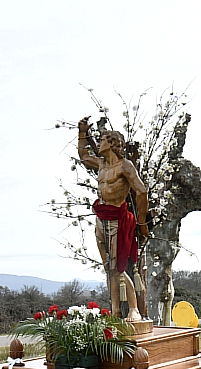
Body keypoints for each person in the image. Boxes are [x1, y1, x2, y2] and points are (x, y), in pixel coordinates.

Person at [78, 117, 148, 320]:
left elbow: (141, 192)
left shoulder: (125, 166)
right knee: (108, 268)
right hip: (101, 218)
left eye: (101, 140)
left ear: (111, 144)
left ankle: (134, 309)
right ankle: (116, 311)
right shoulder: (100, 165)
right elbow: (83, 155)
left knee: (118, 268)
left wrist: (142, 224)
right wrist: (82, 133)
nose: (98, 144)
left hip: (118, 219)